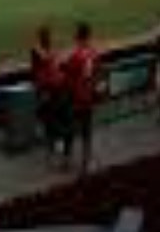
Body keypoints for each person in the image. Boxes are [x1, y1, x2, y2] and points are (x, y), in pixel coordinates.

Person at [61, 22, 104, 173]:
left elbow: (67, 77)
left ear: (77, 36)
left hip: (75, 97)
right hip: (88, 96)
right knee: (87, 128)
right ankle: (87, 157)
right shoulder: (94, 52)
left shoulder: (75, 55)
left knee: (69, 129)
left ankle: (67, 159)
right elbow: (98, 73)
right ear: (89, 36)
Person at [29, 25, 65, 163]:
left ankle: (52, 141)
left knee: (48, 114)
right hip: (52, 86)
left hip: (47, 87)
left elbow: (37, 66)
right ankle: (55, 141)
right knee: (52, 113)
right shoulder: (50, 51)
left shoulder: (39, 51)